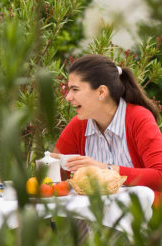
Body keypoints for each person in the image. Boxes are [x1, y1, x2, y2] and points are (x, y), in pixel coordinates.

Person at [54, 54, 162, 205]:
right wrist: (50, 165)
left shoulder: (139, 119)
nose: (68, 97)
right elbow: (55, 176)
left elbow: (159, 176)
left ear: (101, 92)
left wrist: (105, 168)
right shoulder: (78, 125)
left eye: (75, 89)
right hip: (94, 219)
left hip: (139, 220)